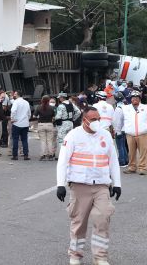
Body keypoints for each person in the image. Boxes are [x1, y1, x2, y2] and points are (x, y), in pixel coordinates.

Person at [56, 106, 121, 265]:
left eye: (98, 119)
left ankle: (100, 257)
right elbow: (63, 161)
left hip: (101, 186)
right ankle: (75, 255)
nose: (97, 122)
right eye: (93, 119)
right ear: (84, 120)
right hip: (80, 186)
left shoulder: (105, 134)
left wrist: (117, 183)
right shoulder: (73, 135)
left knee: (103, 217)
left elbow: (113, 161)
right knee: (79, 222)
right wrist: (60, 184)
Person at [116, 90, 147, 175]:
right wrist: (118, 130)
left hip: (143, 133)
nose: (135, 99)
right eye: (133, 98)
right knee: (131, 152)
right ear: (130, 99)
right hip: (130, 134)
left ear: (140, 99)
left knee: (143, 152)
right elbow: (120, 120)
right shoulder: (125, 108)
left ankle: (143, 168)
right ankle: (132, 167)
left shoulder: (145, 107)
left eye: (137, 98)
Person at [55, 92, 81, 158]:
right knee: (69, 139)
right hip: (70, 123)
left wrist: (55, 121)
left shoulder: (61, 106)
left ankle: (62, 155)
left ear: (62, 98)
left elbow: (58, 116)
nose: (59, 99)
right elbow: (78, 112)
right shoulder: (71, 104)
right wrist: (73, 119)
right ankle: (70, 154)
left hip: (63, 123)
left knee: (61, 139)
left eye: (60, 98)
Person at [10, 90, 31, 161]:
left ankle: (15, 155)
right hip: (25, 124)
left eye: (15, 94)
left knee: (15, 139)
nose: (14, 95)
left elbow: (13, 111)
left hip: (17, 124)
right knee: (24, 140)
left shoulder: (16, 102)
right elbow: (29, 113)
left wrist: (13, 119)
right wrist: (26, 119)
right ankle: (26, 155)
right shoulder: (26, 102)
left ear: (17, 95)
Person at [34, 95, 56, 161]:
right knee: (50, 141)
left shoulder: (39, 107)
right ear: (49, 100)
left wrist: (39, 117)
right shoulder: (51, 108)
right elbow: (54, 117)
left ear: (42, 100)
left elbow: (34, 115)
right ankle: (50, 155)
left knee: (43, 141)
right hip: (49, 124)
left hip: (41, 125)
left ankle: (43, 155)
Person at [112, 92, 129, 167]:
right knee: (124, 146)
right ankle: (126, 160)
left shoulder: (118, 109)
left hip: (120, 130)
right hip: (125, 129)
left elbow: (117, 121)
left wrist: (117, 131)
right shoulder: (126, 106)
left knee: (120, 146)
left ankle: (122, 162)